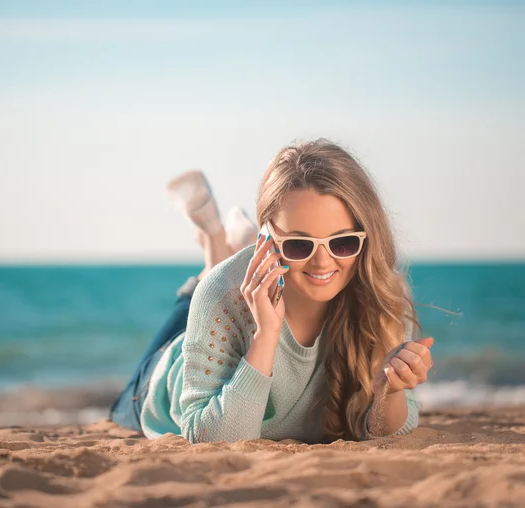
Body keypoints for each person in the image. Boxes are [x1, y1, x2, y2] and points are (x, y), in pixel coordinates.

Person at [110, 139, 434, 443]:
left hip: (246, 286)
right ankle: (214, 246)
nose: (323, 262)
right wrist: (266, 334)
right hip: (166, 378)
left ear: (367, 237)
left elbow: (389, 432)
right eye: (297, 244)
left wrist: (388, 392)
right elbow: (209, 439)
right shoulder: (221, 294)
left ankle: (229, 246)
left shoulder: (382, 298)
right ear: (265, 242)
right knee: (122, 406)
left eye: (342, 242)